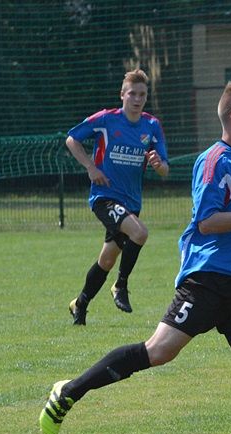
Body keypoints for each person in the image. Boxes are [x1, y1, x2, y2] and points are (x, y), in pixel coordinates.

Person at [40, 79, 231, 434]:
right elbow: (206, 221)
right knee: (159, 351)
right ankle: (68, 393)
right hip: (208, 278)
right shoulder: (215, 160)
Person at [65, 68, 169, 325]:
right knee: (140, 233)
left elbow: (165, 169)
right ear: (122, 94)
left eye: (142, 94)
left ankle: (79, 304)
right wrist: (91, 167)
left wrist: (158, 164)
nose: (137, 99)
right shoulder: (107, 119)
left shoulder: (152, 126)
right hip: (105, 196)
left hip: (131, 203)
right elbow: (72, 140)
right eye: (132, 93)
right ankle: (120, 286)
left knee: (107, 259)